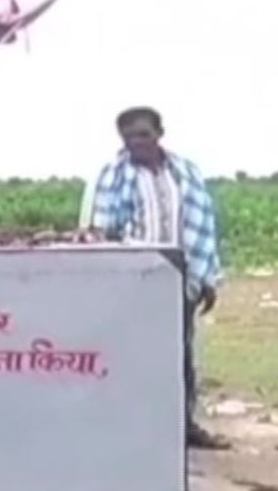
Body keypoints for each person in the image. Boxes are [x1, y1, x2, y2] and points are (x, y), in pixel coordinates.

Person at [80, 106, 231, 450]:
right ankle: (130, 425)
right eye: (129, 136)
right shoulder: (113, 175)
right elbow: (101, 233)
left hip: (179, 280)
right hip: (134, 282)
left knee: (181, 356)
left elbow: (203, 226)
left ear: (160, 134)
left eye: (143, 134)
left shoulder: (185, 173)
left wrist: (207, 279)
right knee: (130, 354)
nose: (137, 142)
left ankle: (184, 426)